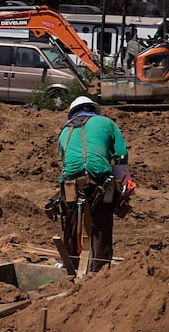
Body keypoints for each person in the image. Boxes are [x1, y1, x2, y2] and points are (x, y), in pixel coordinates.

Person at [51, 93, 130, 275]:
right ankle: (100, 270)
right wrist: (123, 186)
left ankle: (70, 266)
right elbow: (121, 154)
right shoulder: (107, 123)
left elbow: (65, 160)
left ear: (73, 113)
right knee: (101, 224)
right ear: (93, 110)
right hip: (99, 180)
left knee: (70, 222)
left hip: (71, 182)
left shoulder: (65, 130)